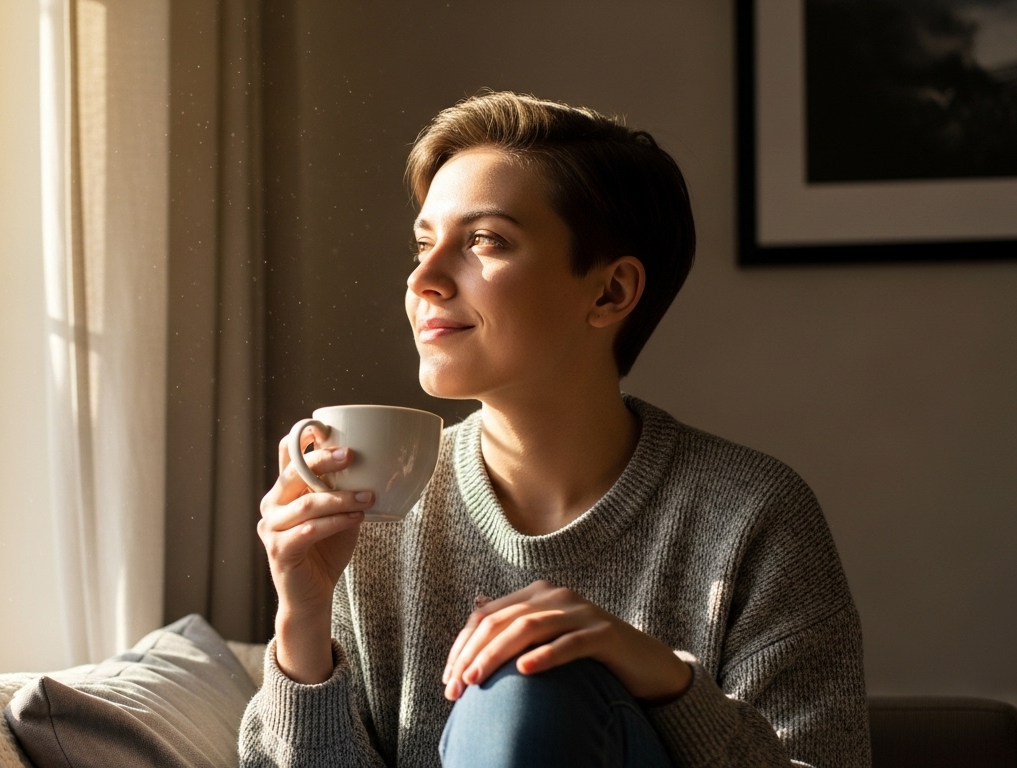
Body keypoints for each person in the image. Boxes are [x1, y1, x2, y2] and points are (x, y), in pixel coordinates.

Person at [238, 91, 870, 767]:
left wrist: (658, 675)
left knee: (525, 685)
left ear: (610, 293)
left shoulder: (753, 515)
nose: (423, 278)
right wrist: (301, 623)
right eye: (423, 244)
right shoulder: (377, 513)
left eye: (484, 241)